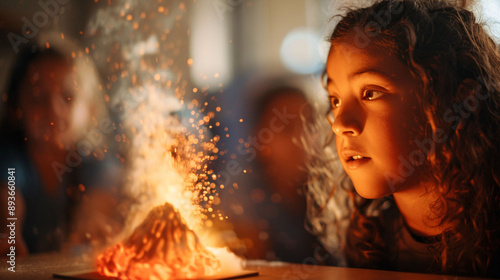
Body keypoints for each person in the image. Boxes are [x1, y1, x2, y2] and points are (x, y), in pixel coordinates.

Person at [305, 0, 500, 277]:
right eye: (335, 100)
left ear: (458, 103)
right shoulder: (369, 243)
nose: (340, 124)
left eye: (370, 93)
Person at [0, 33, 123, 255]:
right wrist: (8, 230)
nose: (54, 111)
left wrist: (91, 224)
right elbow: (8, 194)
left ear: (90, 108)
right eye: (38, 98)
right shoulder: (10, 159)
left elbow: (96, 205)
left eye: (68, 97)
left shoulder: (96, 164)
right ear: (15, 108)